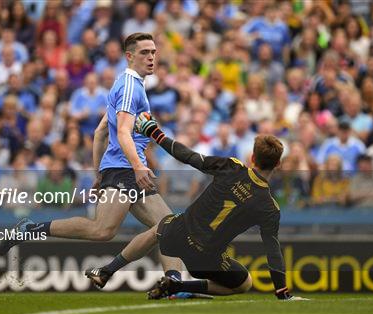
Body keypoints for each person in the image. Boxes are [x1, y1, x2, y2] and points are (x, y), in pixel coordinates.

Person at [0, 33, 181, 281]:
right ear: (129, 57)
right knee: (102, 230)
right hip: (126, 169)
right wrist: (137, 167)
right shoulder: (129, 87)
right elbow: (123, 132)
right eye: (144, 53)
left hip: (122, 169)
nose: (151, 57)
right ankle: (31, 228)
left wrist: (99, 174)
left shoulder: (127, 84)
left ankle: (174, 282)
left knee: (169, 227)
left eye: (153, 52)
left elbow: (100, 132)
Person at [85, 112, 306, 301]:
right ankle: (180, 286)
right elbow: (272, 249)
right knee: (244, 283)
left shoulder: (231, 167)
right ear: (278, 164)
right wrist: (281, 289)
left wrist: (155, 133)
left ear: (252, 157)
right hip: (206, 259)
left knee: (160, 228)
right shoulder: (269, 206)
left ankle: (107, 271)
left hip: (179, 235)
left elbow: (189, 156)